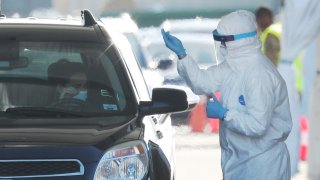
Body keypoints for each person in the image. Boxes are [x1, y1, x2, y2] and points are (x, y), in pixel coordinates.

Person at [161, 10, 292, 179]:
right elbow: (202, 81)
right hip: (238, 161)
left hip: (264, 165)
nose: (221, 47)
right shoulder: (233, 66)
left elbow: (257, 125)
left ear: (237, 42)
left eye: (223, 42)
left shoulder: (259, 74)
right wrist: (182, 55)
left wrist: (224, 114)